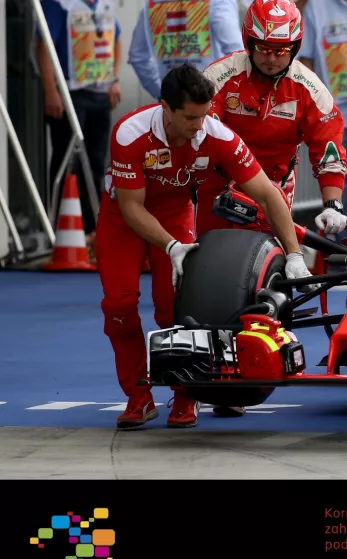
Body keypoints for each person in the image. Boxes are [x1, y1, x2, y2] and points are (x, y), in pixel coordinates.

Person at [100, 65, 316, 430]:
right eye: (189, 117)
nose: (198, 125)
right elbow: (130, 207)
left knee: (177, 309)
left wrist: (294, 255)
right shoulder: (129, 133)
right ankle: (139, 396)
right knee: (119, 306)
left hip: (175, 213)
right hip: (123, 219)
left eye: (204, 115)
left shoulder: (216, 134)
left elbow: (267, 193)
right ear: (165, 108)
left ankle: (188, 394)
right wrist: (170, 246)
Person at [200, 0, 347, 239]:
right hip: (217, 185)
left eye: (281, 50)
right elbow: (199, 132)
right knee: (203, 256)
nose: (272, 59)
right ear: (248, 42)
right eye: (264, 48)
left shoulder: (311, 88)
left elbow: (328, 149)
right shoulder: (218, 77)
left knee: (266, 260)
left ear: (295, 47)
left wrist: (333, 205)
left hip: (274, 188)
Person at [36, 0, 123, 249]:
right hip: (70, 92)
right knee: (66, 160)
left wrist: (114, 78)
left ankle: (90, 227)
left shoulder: (104, 4)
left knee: (96, 162)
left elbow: (115, 38)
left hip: (100, 92)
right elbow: (44, 45)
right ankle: (58, 227)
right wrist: (51, 90)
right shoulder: (60, 4)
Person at [300, 0, 347, 224]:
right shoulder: (316, 7)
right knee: (341, 181)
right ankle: (345, 246)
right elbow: (305, 59)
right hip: (336, 111)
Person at [128, 0, 244, 100]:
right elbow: (237, 54)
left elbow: (137, 56)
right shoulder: (217, 2)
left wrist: (161, 93)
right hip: (210, 100)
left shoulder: (152, 3)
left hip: (172, 104)